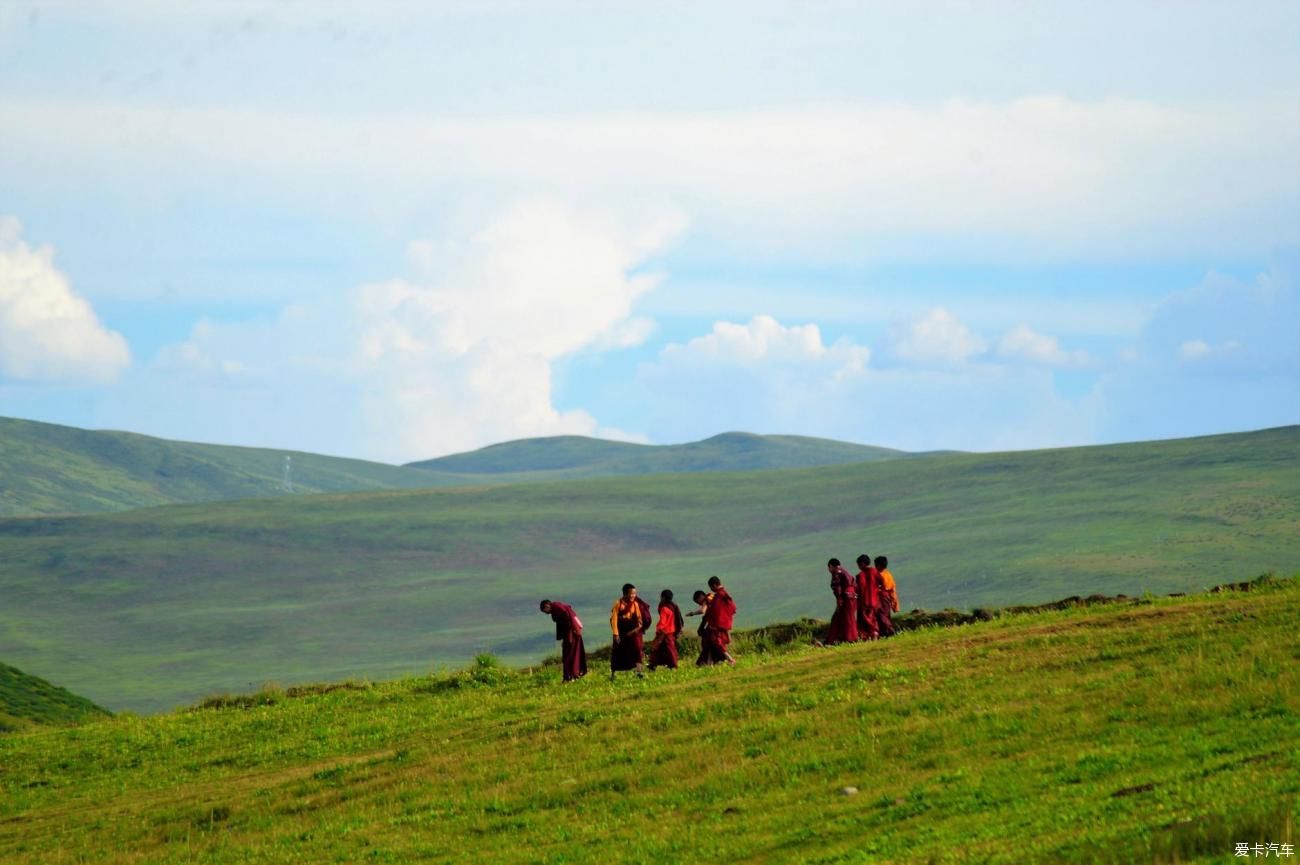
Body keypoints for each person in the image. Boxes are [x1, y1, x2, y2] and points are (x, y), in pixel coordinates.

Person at [539, 599, 587, 682]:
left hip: (572, 632)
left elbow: (568, 618)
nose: (546, 613)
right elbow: (563, 622)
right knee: (568, 654)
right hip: (570, 632)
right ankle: (570, 675)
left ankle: (573, 674)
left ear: (547, 606)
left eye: (545, 611)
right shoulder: (555, 609)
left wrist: (571, 633)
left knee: (571, 654)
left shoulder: (557, 607)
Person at [609, 583, 646, 680]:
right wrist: (615, 634)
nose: (633, 596)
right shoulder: (618, 603)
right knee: (617, 651)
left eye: (634, 594)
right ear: (625, 594)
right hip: (621, 631)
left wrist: (635, 630)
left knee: (637, 649)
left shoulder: (635, 604)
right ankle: (613, 674)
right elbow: (614, 619)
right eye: (631, 593)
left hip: (632, 632)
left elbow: (639, 619)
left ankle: (639, 672)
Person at [699, 576, 737, 666]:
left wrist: (715, 622)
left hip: (718, 624)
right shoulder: (722, 594)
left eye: (711, 587)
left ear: (715, 585)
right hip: (720, 623)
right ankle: (709, 662)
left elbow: (717, 611)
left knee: (718, 643)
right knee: (712, 644)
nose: (711, 589)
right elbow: (732, 607)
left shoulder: (720, 595)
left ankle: (731, 660)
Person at [824, 558, 859, 644]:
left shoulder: (836, 572)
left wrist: (839, 600)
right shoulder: (845, 572)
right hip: (853, 596)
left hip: (846, 597)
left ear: (831, 566)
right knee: (848, 617)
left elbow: (837, 587)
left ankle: (850, 638)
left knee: (847, 618)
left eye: (829, 567)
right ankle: (841, 637)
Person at [648, 589, 684, 670]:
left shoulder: (664, 608)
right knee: (662, 649)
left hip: (664, 632)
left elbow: (663, 621)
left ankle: (673, 665)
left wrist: (659, 629)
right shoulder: (673, 606)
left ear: (663, 598)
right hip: (672, 631)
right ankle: (653, 664)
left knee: (662, 648)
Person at [855, 554, 881, 641]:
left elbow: (858, 589)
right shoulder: (874, 571)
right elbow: (881, 582)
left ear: (862, 564)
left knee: (864, 621)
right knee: (873, 618)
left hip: (863, 602)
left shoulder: (859, 576)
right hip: (874, 601)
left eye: (859, 564)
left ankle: (868, 635)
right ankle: (875, 633)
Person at [874, 555, 899, 637]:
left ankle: (891, 630)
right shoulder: (888, 574)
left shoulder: (880, 575)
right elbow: (893, 589)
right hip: (888, 598)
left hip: (882, 597)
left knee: (882, 616)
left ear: (879, 566)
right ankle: (885, 633)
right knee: (886, 615)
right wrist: (894, 603)